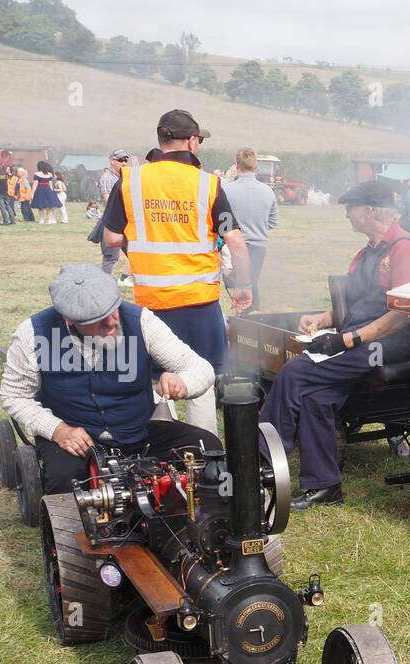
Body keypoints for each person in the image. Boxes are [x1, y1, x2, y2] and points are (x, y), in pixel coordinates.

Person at [260, 180, 410, 510]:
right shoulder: (368, 251)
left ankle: (264, 462)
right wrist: (322, 320)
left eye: (350, 209)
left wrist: (348, 339)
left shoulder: (404, 248)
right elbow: (351, 302)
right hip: (361, 341)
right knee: (316, 397)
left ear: (369, 211)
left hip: (389, 345)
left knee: (295, 373)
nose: (347, 216)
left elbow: (403, 316)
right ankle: (325, 486)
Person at [0, 264, 219, 494]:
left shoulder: (141, 321)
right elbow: (14, 395)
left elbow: (200, 367)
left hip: (140, 429)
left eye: (113, 310)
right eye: (98, 320)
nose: (112, 322)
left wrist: (184, 382)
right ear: (69, 318)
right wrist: (58, 430)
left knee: (207, 448)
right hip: (76, 437)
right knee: (63, 481)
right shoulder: (33, 333)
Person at [102, 110, 252, 435]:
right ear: (192, 141)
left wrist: (139, 248)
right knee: (203, 377)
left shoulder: (130, 180)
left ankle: (161, 456)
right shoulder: (208, 185)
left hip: (150, 306)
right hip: (199, 305)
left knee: (157, 380)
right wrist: (242, 287)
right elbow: (236, 244)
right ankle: (207, 457)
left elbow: (112, 237)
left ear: (161, 140)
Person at [222, 148, 278, 310]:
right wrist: (257, 225)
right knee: (250, 283)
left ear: (236, 165)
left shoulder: (226, 190)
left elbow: (222, 223)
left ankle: (245, 319)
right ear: (256, 166)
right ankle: (250, 318)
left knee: (239, 284)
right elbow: (273, 222)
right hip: (258, 245)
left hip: (231, 245)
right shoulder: (268, 191)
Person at [97, 149, 130, 274]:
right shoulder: (107, 178)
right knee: (110, 258)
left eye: (125, 160)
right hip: (112, 222)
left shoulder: (122, 177)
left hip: (123, 222)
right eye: (120, 160)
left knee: (134, 254)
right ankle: (104, 283)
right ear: (112, 161)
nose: (124, 163)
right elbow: (107, 200)